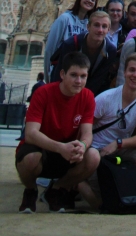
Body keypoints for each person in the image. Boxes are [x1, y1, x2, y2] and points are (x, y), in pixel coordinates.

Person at [16, 51, 100, 213]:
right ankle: (31, 190)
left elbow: (87, 133)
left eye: (83, 76)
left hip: (66, 151)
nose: (79, 81)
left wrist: (82, 145)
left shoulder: (88, 96)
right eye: (74, 75)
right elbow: (31, 133)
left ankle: (56, 190)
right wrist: (61, 148)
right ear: (62, 74)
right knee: (31, 158)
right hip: (42, 148)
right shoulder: (43, 93)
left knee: (93, 156)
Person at [79, 52, 136, 209]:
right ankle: (78, 182)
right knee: (100, 202)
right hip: (97, 150)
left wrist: (119, 143)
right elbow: (85, 128)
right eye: (132, 70)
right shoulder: (105, 98)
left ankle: (123, 186)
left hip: (119, 149)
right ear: (124, 72)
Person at [49, 10, 116, 97]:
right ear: (88, 27)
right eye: (96, 25)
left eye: (104, 26)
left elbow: (98, 79)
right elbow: (60, 74)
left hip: (88, 95)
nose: (100, 30)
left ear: (108, 30)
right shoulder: (71, 44)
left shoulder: (110, 50)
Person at [43, 0, 98, 80]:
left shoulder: (89, 24)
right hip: (60, 69)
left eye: (93, 0)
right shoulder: (64, 19)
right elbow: (50, 47)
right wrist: (47, 73)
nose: (89, 1)